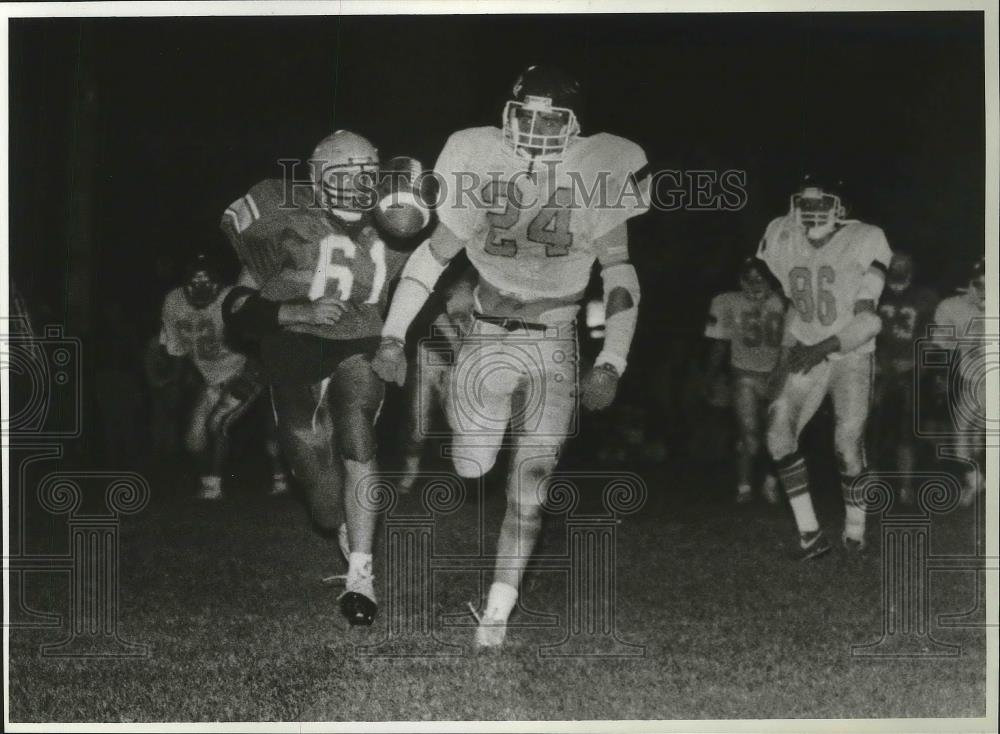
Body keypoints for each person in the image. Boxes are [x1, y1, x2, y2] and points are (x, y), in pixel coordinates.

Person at [371, 65, 649, 647]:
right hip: (485, 333)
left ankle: (496, 614)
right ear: (508, 113)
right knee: (471, 466)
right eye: (526, 114)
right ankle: (463, 417)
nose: (535, 127)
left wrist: (611, 360)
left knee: (532, 482)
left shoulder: (602, 164)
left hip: (554, 339)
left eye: (551, 117)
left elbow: (619, 275)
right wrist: (392, 337)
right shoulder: (474, 153)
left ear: (574, 125)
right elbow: (433, 256)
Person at [221, 130, 424, 626]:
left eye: (365, 174)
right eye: (343, 174)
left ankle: (361, 575)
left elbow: (434, 274)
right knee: (322, 500)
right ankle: (342, 528)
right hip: (293, 346)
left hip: (362, 340)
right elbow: (237, 305)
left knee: (358, 434)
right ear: (315, 177)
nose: (357, 184)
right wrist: (292, 312)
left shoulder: (397, 220)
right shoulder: (281, 215)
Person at [757, 177, 891, 559]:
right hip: (806, 348)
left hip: (851, 352)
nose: (812, 210)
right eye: (805, 202)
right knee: (778, 431)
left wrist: (823, 348)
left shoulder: (866, 238)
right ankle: (810, 534)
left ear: (841, 208)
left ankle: (855, 529)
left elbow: (869, 321)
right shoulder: (782, 235)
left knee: (847, 445)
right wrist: (788, 355)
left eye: (821, 203)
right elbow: (793, 306)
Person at [159, 254, 287, 500]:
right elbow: (176, 351)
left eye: (208, 284)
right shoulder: (173, 302)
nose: (201, 291)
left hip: (246, 370)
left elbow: (260, 336)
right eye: (194, 285)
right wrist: (177, 384)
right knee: (193, 440)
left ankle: (216, 487)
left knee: (218, 423)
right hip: (210, 378)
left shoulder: (232, 299)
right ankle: (208, 481)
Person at [704, 257, 787, 504]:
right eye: (748, 279)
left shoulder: (784, 301)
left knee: (778, 436)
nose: (754, 284)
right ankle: (744, 486)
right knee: (750, 437)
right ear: (740, 281)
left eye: (760, 278)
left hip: (778, 374)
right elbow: (720, 342)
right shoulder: (726, 302)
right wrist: (710, 376)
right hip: (745, 375)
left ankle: (770, 483)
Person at [397, 268, 476, 494]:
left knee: (460, 423)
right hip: (429, 355)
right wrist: (451, 335)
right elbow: (422, 305)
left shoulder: (488, 280)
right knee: (418, 423)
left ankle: (461, 476)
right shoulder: (442, 273)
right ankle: (410, 470)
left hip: (464, 363)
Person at [871, 252, 938, 503]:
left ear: (912, 268)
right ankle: (872, 478)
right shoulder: (873, 293)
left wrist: (915, 364)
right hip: (877, 369)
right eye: (894, 263)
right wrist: (877, 362)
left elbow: (930, 336)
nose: (898, 267)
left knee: (906, 430)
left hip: (910, 369)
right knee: (871, 425)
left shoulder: (925, 297)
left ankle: (905, 486)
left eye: (903, 264)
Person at [932, 258, 987, 506]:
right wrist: (941, 375)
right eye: (979, 283)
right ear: (970, 284)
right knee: (963, 438)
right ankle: (975, 481)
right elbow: (942, 344)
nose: (984, 290)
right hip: (971, 381)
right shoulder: (954, 306)